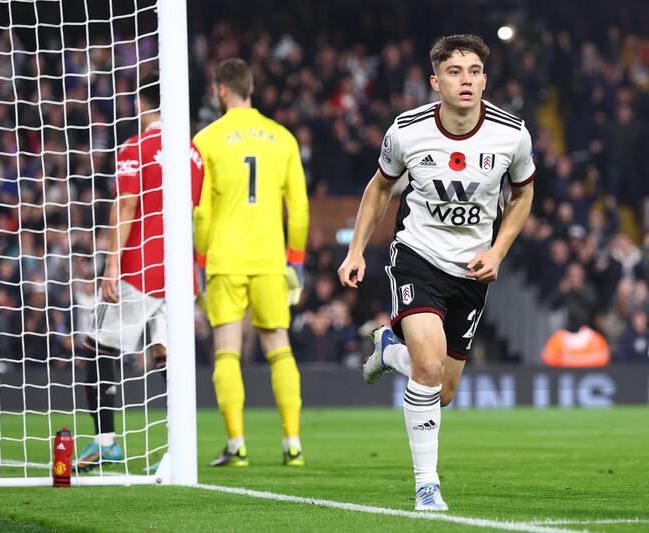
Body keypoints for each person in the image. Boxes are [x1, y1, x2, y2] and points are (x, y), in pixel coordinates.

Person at [337, 35, 535, 511]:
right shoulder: (406, 131)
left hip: (471, 271)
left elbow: (524, 195)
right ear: (435, 81)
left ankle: (389, 351)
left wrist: (499, 252)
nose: (465, 80)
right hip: (417, 256)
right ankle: (427, 486)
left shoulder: (513, 135)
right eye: (454, 71)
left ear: (485, 79)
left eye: (473, 71)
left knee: (441, 391)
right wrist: (356, 251)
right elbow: (379, 189)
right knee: (427, 366)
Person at [75, 71, 205, 472]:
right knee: (168, 354)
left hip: (139, 268)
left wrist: (112, 264)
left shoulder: (135, 147)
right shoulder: (192, 153)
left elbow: (127, 206)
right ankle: (177, 449)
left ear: (140, 103)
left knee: (95, 346)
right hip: (178, 273)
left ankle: (106, 442)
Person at [193, 58, 309, 467]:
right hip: (270, 259)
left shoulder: (205, 140)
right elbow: (298, 208)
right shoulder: (283, 138)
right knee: (279, 346)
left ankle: (237, 443)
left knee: (226, 349)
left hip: (225, 257)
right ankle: (292, 442)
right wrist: (295, 261)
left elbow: (202, 212)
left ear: (221, 90)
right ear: (252, 86)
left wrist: (201, 257)